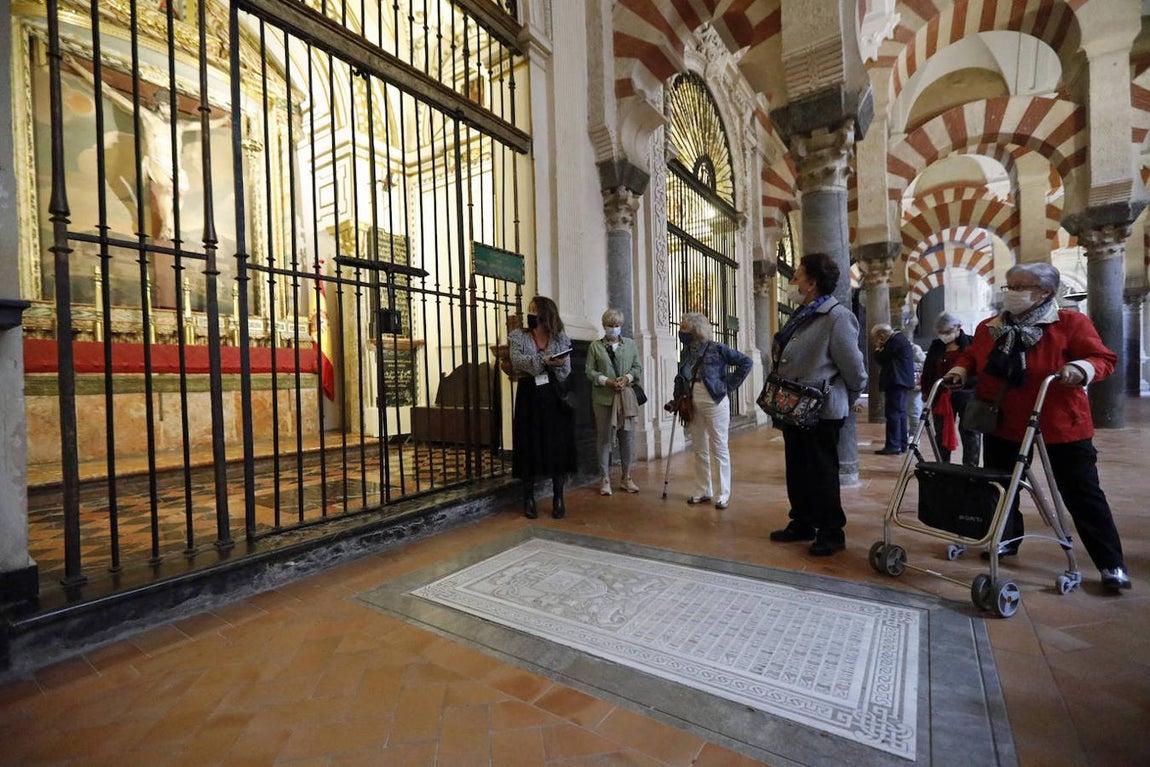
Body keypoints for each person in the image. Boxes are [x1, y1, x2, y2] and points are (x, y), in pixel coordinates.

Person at [943, 263, 1131, 592]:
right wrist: (960, 369)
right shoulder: (990, 327)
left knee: (1082, 493)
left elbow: (1104, 358)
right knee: (1002, 487)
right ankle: (1006, 541)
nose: (1010, 293)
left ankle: (1110, 562)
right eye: (1009, 286)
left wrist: (1080, 367)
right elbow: (973, 356)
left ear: (1044, 292)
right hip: (1004, 421)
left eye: (1019, 287)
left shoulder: (1070, 323)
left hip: (1059, 423)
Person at [768, 252, 868, 556]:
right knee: (797, 469)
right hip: (794, 408)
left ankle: (831, 531)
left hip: (821, 409)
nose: (792, 282)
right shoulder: (802, 314)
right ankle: (802, 521)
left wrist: (847, 399)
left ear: (811, 283)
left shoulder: (836, 316)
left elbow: (854, 369)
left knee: (821, 471)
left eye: (796, 276)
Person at [666, 312, 752, 510]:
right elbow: (681, 377)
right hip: (694, 402)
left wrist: (727, 385)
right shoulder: (686, 351)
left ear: (696, 330)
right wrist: (676, 399)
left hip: (715, 401)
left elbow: (746, 362)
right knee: (699, 448)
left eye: (684, 328)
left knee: (719, 446)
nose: (681, 332)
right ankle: (703, 490)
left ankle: (723, 493)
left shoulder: (717, 348)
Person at [509, 296, 578, 519]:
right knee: (528, 443)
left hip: (554, 396)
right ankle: (528, 497)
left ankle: (558, 496)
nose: (531, 315)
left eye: (534, 311)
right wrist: (542, 361)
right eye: (529, 310)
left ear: (546, 314)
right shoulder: (518, 336)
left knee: (557, 444)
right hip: (529, 395)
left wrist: (555, 364)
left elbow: (566, 368)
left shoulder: (560, 337)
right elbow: (517, 360)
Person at [586, 308, 643, 496]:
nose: (614, 329)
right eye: (610, 325)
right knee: (604, 439)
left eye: (617, 325)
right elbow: (590, 371)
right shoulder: (595, 347)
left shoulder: (630, 345)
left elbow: (637, 367)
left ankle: (627, 477)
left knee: (627, 438)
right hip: (603, 398)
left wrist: (626, 378)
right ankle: (605, 478)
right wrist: (607, 381)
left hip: (625, 397)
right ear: (604, 326)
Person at [921, 312, 980, 465]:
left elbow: (977, 369)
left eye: (947, 332)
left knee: (970, 432)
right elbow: (928, 370)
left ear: (958, 327)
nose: (944, 336)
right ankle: (943, 465)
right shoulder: (936, 346)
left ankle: (970, 468)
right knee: (941, 433)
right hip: (941, 396)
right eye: (941, 332)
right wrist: (926, 392)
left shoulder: (972, 343)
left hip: (967, 394)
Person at [871, 322, 916, 455]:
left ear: (882, 335)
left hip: (896, 382)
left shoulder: (894, 341)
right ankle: (900, 444)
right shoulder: (899, 339)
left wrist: (878, 347)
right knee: (899, 414)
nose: (876, 340)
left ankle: (893, 445)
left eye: (877, 337)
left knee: (893, 414)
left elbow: (881, 358)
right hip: (899, 382)